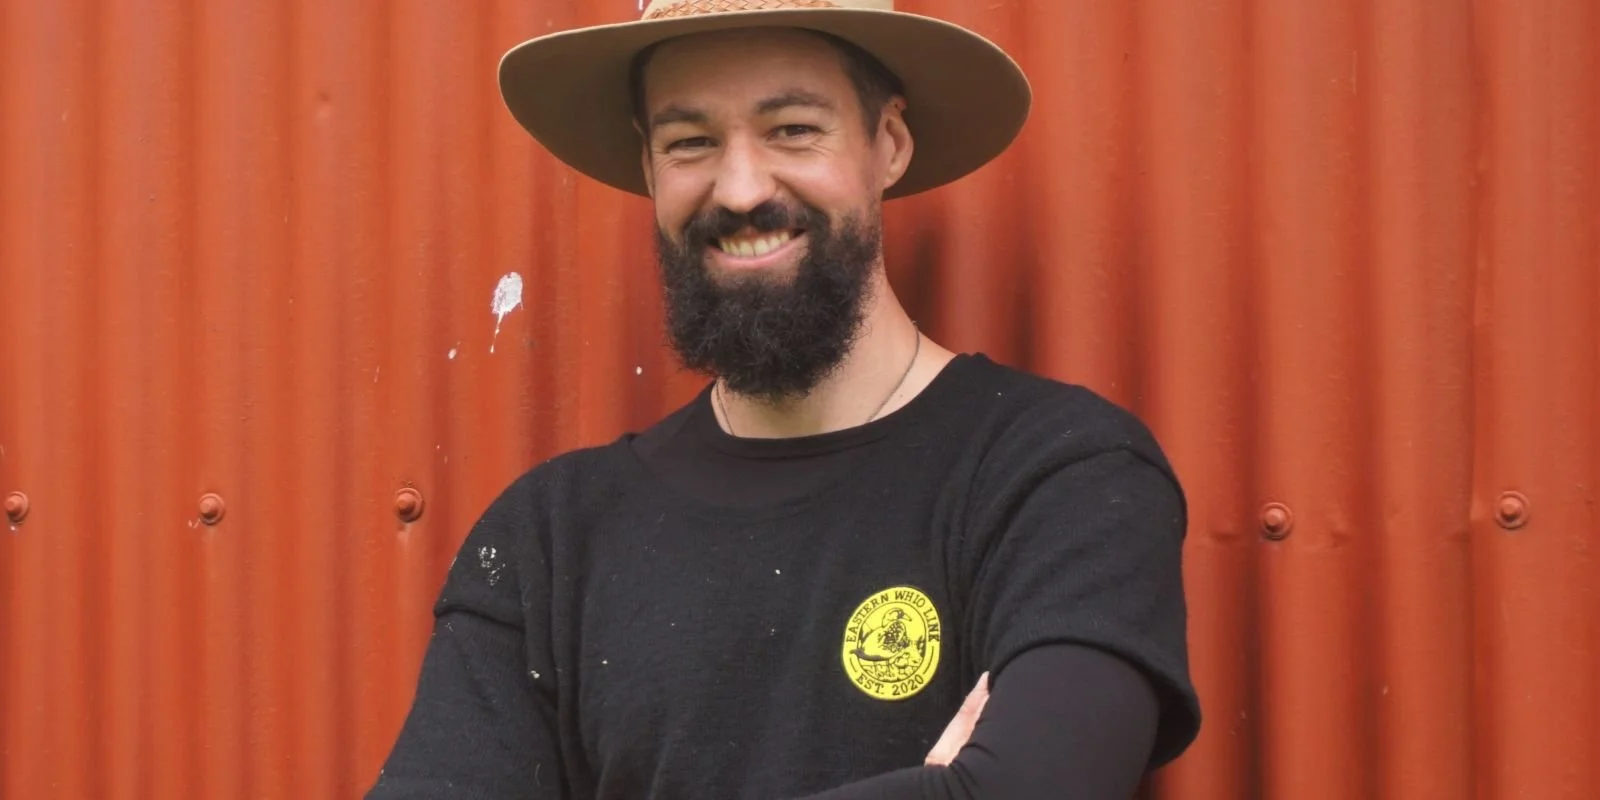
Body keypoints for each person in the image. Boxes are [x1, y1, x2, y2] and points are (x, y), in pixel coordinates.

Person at [368, 1, 1201, 797]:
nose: (738, 190)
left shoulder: (1058, 475)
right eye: (690, 141)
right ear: (649, 166)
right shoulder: (547, 540)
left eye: (792, 129)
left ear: (890, 143)